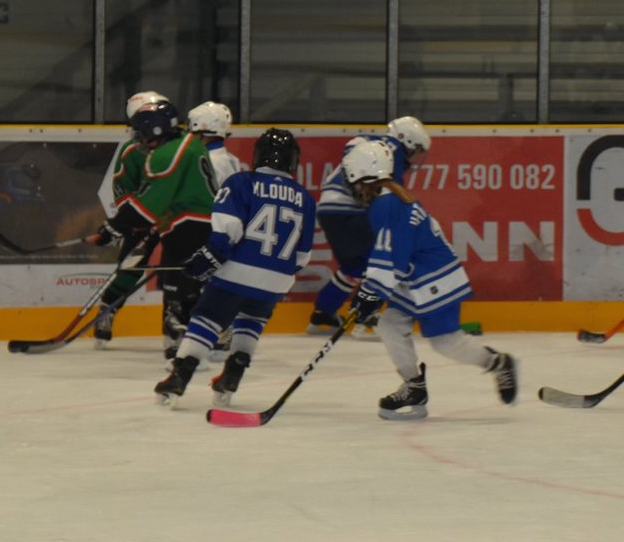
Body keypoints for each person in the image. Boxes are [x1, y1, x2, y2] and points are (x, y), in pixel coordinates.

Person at [342, 140, 518, 420]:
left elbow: (392, 256)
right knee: (389, 323)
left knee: (445, 342)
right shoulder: (389, 197)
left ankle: (497, 362)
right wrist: (370, 292)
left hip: (433, 278)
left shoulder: (387, 204)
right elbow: (392, 254)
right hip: (417, 277)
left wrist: (370, 293)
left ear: (358, 173)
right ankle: (414, 386)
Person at [154, 128, 315, 407]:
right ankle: (232, 376)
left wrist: (203, 262)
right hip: (278, 280)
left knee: (206, 318)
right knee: (251, 321)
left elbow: (227, 233)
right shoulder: (306, 198)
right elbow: (302, 256)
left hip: (237, 272)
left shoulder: (241, 182)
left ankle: (178, 378)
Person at [95, 100, 218, 365]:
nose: (139, 138)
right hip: (201, 224)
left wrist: (113, 227)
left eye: (142, 133)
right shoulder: (187, 142)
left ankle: (181, 350)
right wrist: (120, 223)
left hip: (186, 226)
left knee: (178, 290)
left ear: (157, 130)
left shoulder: (167, 155)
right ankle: (186, 346)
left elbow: (149, 205)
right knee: (185, 286)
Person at [307, 116, 431, 341]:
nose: (416, 156)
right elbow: (390, 195)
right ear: (405, 140)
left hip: (329, 209)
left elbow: (351, 147)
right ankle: (365, 319)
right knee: (382, 263)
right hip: (348, 211)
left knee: (353, 268)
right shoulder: (393, 150)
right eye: (416, 150)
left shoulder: (373, 143)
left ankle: (322, 315)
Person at [93, 90, 169, 349]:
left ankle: (178, 323)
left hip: (177, 219)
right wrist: (136, 222)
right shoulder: (131, 152)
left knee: (184, 270)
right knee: (131, 266)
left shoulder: (178, 146)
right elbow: (123, 192)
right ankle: (108, 309)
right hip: (144, 220)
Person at [187, 100, 248, 361]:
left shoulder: (208, 160)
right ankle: (223, 333)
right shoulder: (232, 160)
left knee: (207, 284)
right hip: (233, 232)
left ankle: (214, 335)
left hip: (214, 230)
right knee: (220, 282)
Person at [187, 101, 247, 187]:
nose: (190, 136)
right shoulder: (229, 158)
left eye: (193, 132)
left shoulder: (208, 161)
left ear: (203, 133)